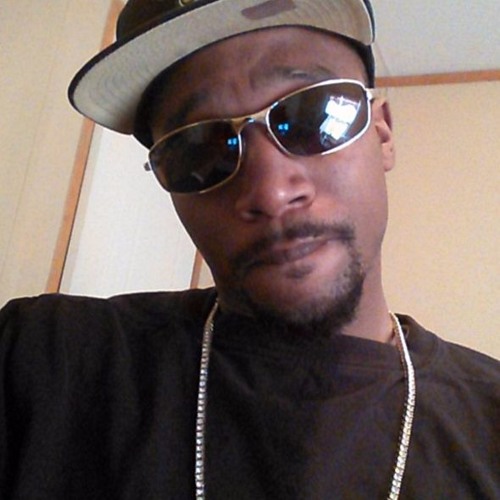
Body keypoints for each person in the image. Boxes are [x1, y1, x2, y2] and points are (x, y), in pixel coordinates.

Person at [1, 0, 499, 498]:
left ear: (382, 132)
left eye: (312, 115)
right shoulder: (45, 363)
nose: (271, 192)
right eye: (198, 148)